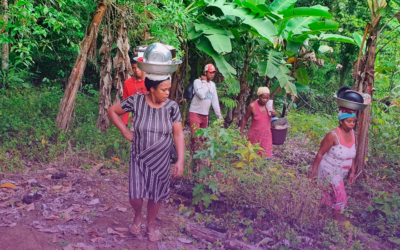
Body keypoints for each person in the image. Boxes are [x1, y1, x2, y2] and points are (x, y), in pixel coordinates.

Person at [107, 74, 185, 242]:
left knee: (155, 195)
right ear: (151, 89)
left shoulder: (172, 107)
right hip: (139, 158)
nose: (167, 93)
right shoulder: (136, 101)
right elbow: (112, 110)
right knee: (135, 195)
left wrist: (180, 161)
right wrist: (124, 130)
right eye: (163, 90)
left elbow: (178, 135)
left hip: (161, 160)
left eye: (168, 90)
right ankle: (137, 216)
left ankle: (150, 225)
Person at [309, 107, 357, 221]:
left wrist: (353, 171)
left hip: (342, 172)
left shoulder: (353, 133)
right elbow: (320, 154)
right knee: (341, 197)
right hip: (328, 169)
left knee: (329, 194)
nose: (352, 124)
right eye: (348, 121)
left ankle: (322, 218)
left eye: (354, 121)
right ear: (341, 121)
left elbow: (352, 154)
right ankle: (338, 225)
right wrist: (313, 173)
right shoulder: (333, 135)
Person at [189, 63, 223, 160]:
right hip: (195, 113)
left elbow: (215, 101)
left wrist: (219, 116)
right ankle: (193, 157)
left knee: (203, 138)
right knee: (195, 137)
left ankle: (200, 159)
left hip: (205, 115)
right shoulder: (197, 82)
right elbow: (202, 95)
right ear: (205, 72)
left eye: (213, 73)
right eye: (210, 72)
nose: (212, 75)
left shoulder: (212, 85)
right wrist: (204, 82)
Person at [240, 87, 276, 158]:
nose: (265, 100)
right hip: (254, 135)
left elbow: (273, 114)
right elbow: (245, 119)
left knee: (266, 157)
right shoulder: (252, 106)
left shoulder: (269, 105)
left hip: (266, 135)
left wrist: (274, 114)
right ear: (259, 96)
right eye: (263, 98)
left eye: (267, 98)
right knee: (252, 156)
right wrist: (241, 132)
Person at [121, 57, 148, 127]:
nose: (136, 70)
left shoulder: (150, 81)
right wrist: (124, 122)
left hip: (150, 120)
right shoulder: (128, 83)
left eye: (138, 67)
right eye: (134, 68)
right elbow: (125, 102)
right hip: (136, 122)